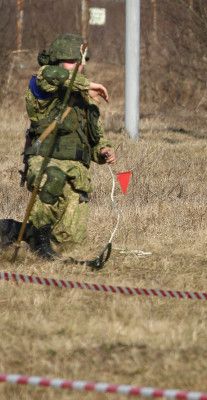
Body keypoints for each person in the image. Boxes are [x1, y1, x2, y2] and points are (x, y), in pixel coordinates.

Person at [0, 33, 115, 259]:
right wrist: (88, 85)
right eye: (71, 61)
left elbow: (95, 139)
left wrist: (104, 151)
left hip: (77, 174)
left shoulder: (87, 99)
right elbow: (49, 75)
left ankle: (12, 230)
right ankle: (34, 239)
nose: (78, 66)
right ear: (57, 61)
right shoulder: (44, 85)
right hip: (47, 161)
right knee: (54, 178)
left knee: (69, 242)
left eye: (80, 61)